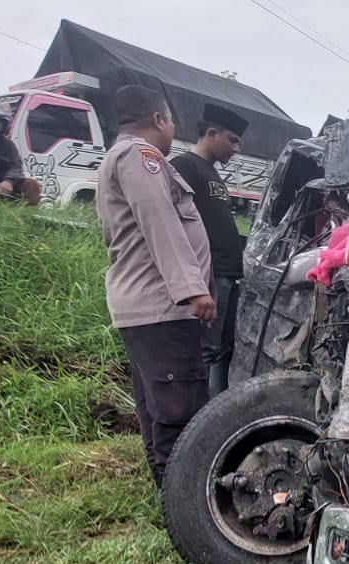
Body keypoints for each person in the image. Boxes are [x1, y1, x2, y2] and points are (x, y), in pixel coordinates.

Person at [96, 85, 215, 487]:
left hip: (148, 305)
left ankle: (167, 491)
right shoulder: (139, 156)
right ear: (159, 119)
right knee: (179, 407)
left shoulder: (123, 157)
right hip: (162, 306)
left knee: (156, 406)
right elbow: (159, 221)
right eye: (171, 122)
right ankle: (185, 497)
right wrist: (193, 289)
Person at [169, 105, 249, 397]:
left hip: (227, 275)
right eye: (232, 139)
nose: (236, 148)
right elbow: (176, 223)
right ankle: (197, 415)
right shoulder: (185, 166)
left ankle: (218, 410)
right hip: (210, 274)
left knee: (223, 349)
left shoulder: (212, 173)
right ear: (211, 133)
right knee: (207, 349)